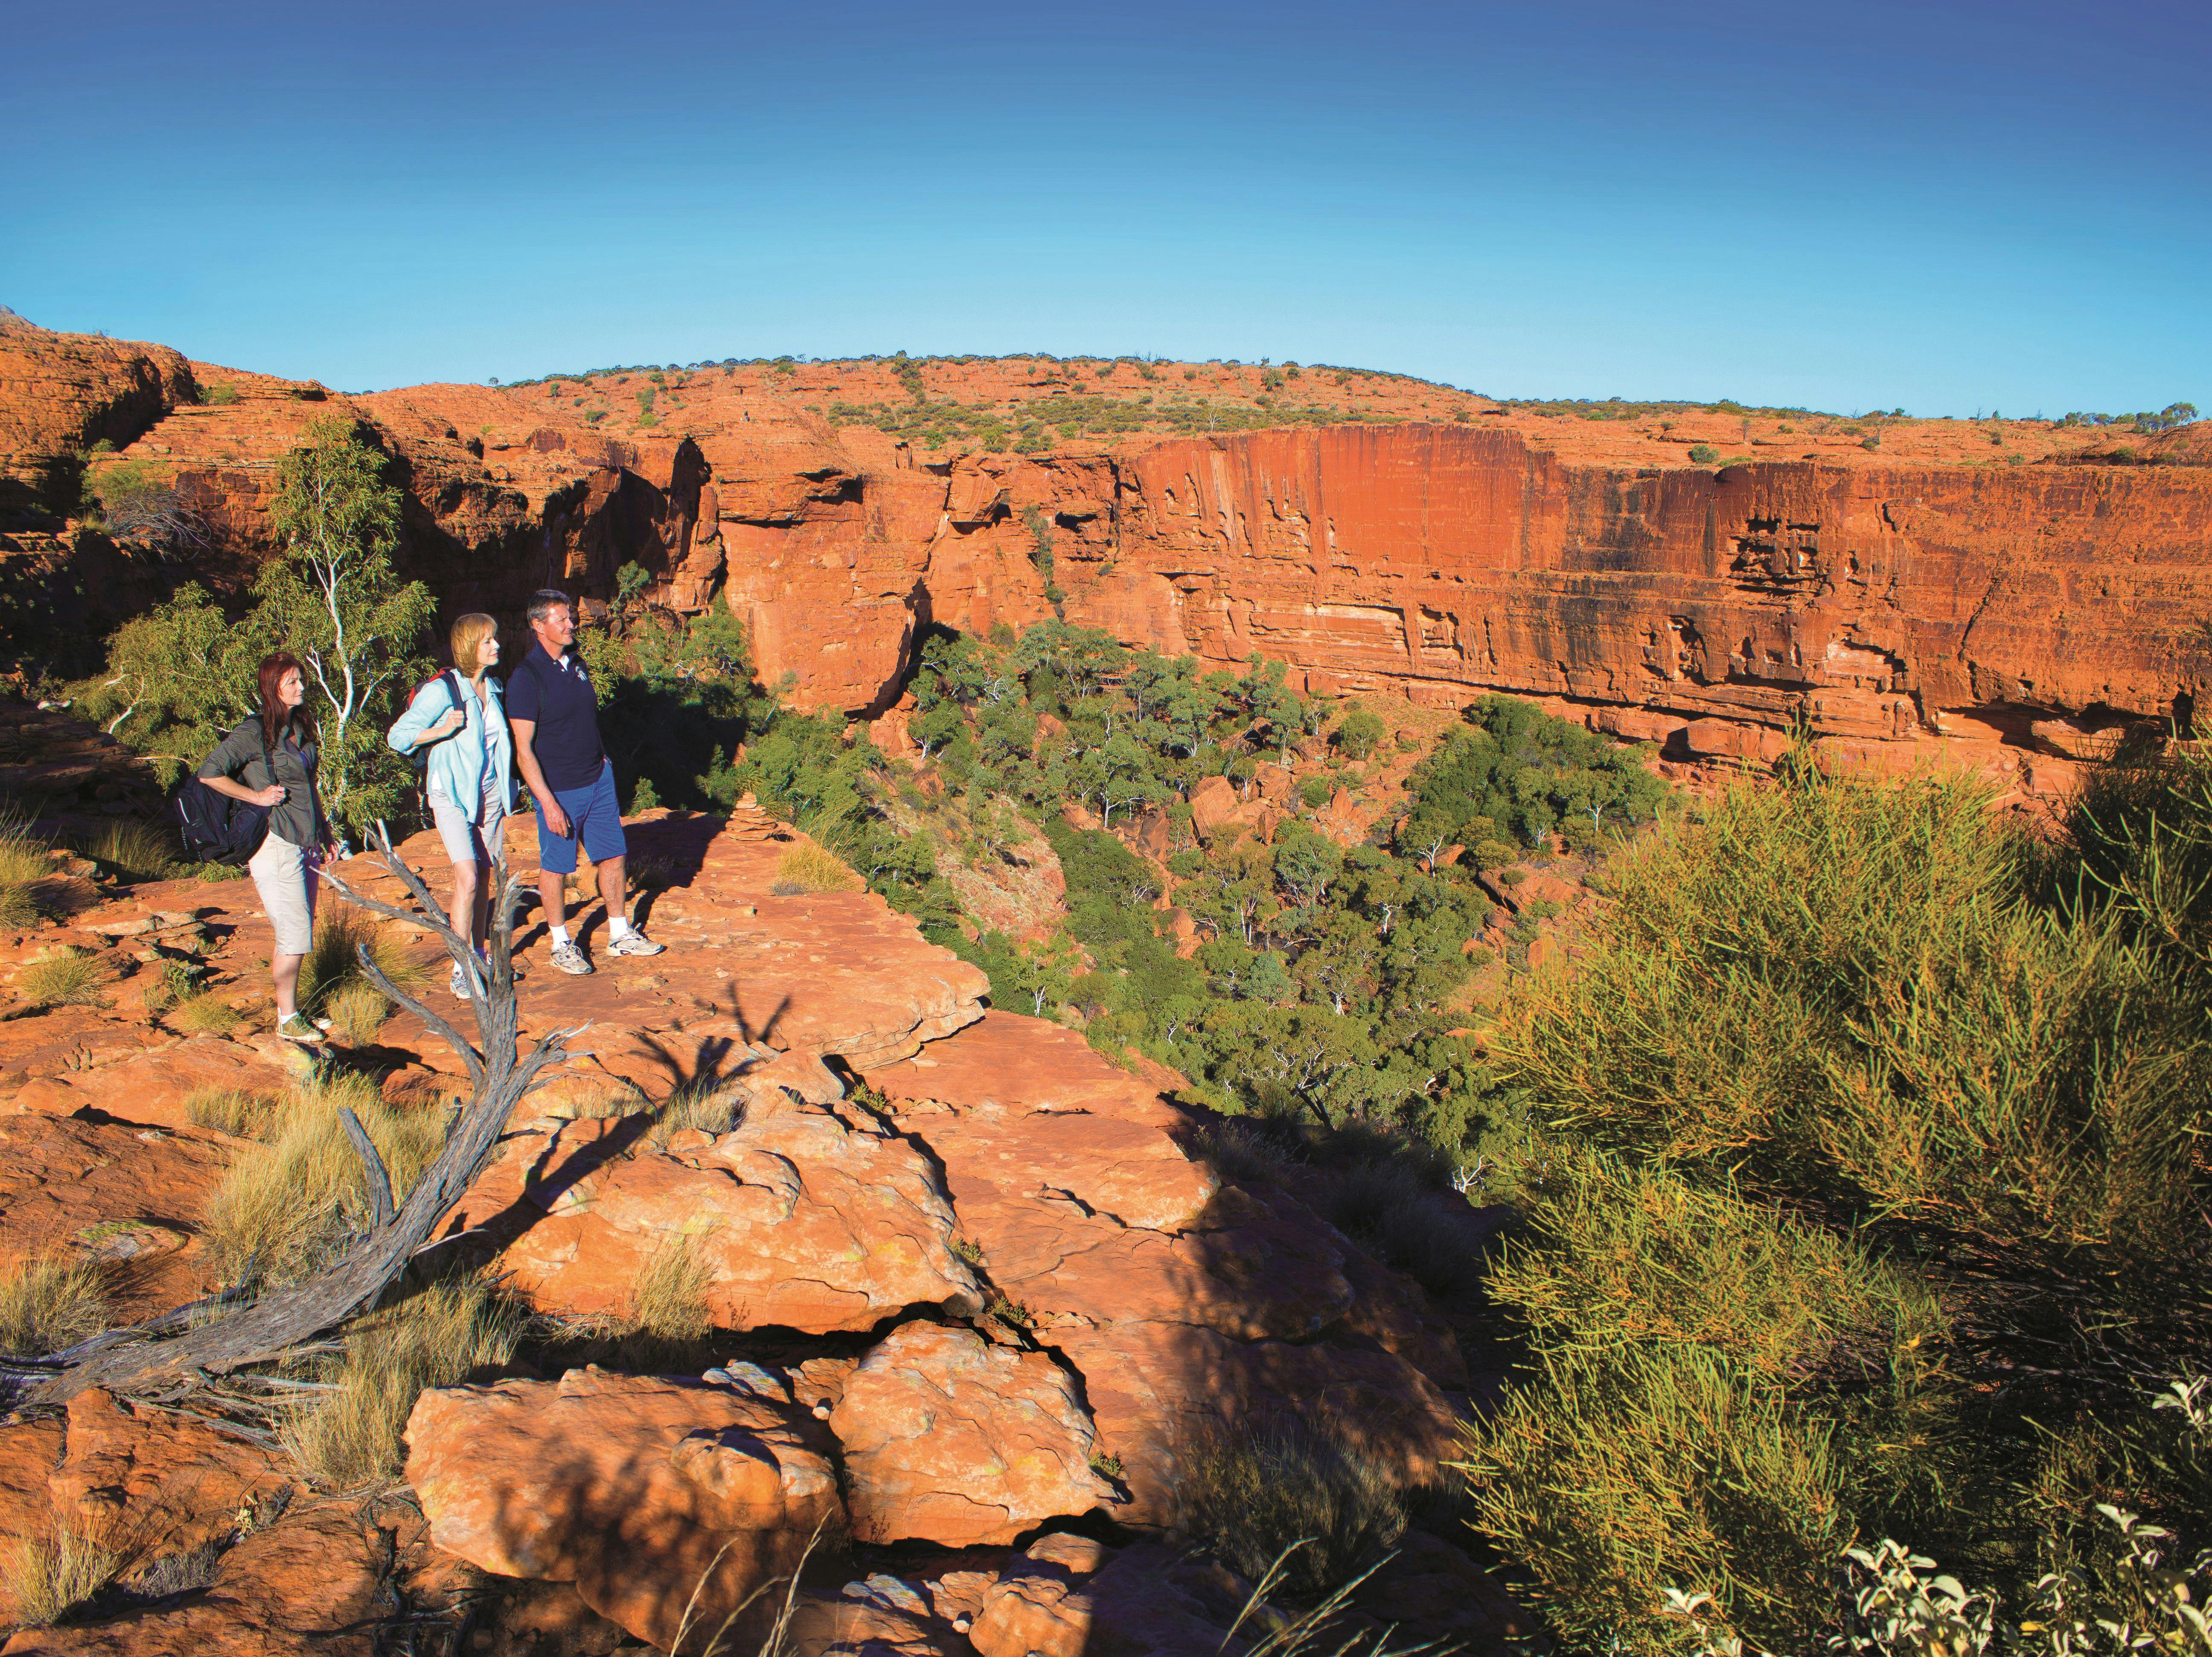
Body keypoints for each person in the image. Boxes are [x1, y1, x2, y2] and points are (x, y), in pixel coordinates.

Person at [506, 588, 664, 974]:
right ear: (538, 625)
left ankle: (619, 933)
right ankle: (561, 944)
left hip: (597, 778)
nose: (571, 624)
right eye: (562, 619)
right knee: (557, 866)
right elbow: (523, 750)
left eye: (570, 617)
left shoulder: (576, 663)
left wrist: (603, 757)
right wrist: (547, 802)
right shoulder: (526, 679)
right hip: (559, 789)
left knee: (613, 854)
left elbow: (584, 718)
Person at [197, 652, 332, 1043]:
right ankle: (288, 1019)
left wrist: (324, 831)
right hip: (274, 843)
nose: (301, 687)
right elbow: (209, 773)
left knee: (300, 930)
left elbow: (311, 785)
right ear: (273, 688)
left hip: (305, 840)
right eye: (292, 682)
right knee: (294, 933)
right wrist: (255, 797)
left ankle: (291, 1011)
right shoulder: (254, 732)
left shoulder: (300, 728)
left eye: (301, 680)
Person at [387, 612, 514, 998]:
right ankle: (462, 967)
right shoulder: (443, 690)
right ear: (468, 647)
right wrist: (441, 730)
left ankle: (479, 955)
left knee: (487, 877)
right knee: (468, 877)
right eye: (487, 641)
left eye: (495, 639)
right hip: (450, 793)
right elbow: (398, 736)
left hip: (489, 794)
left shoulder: (492, 688)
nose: (496, 646)